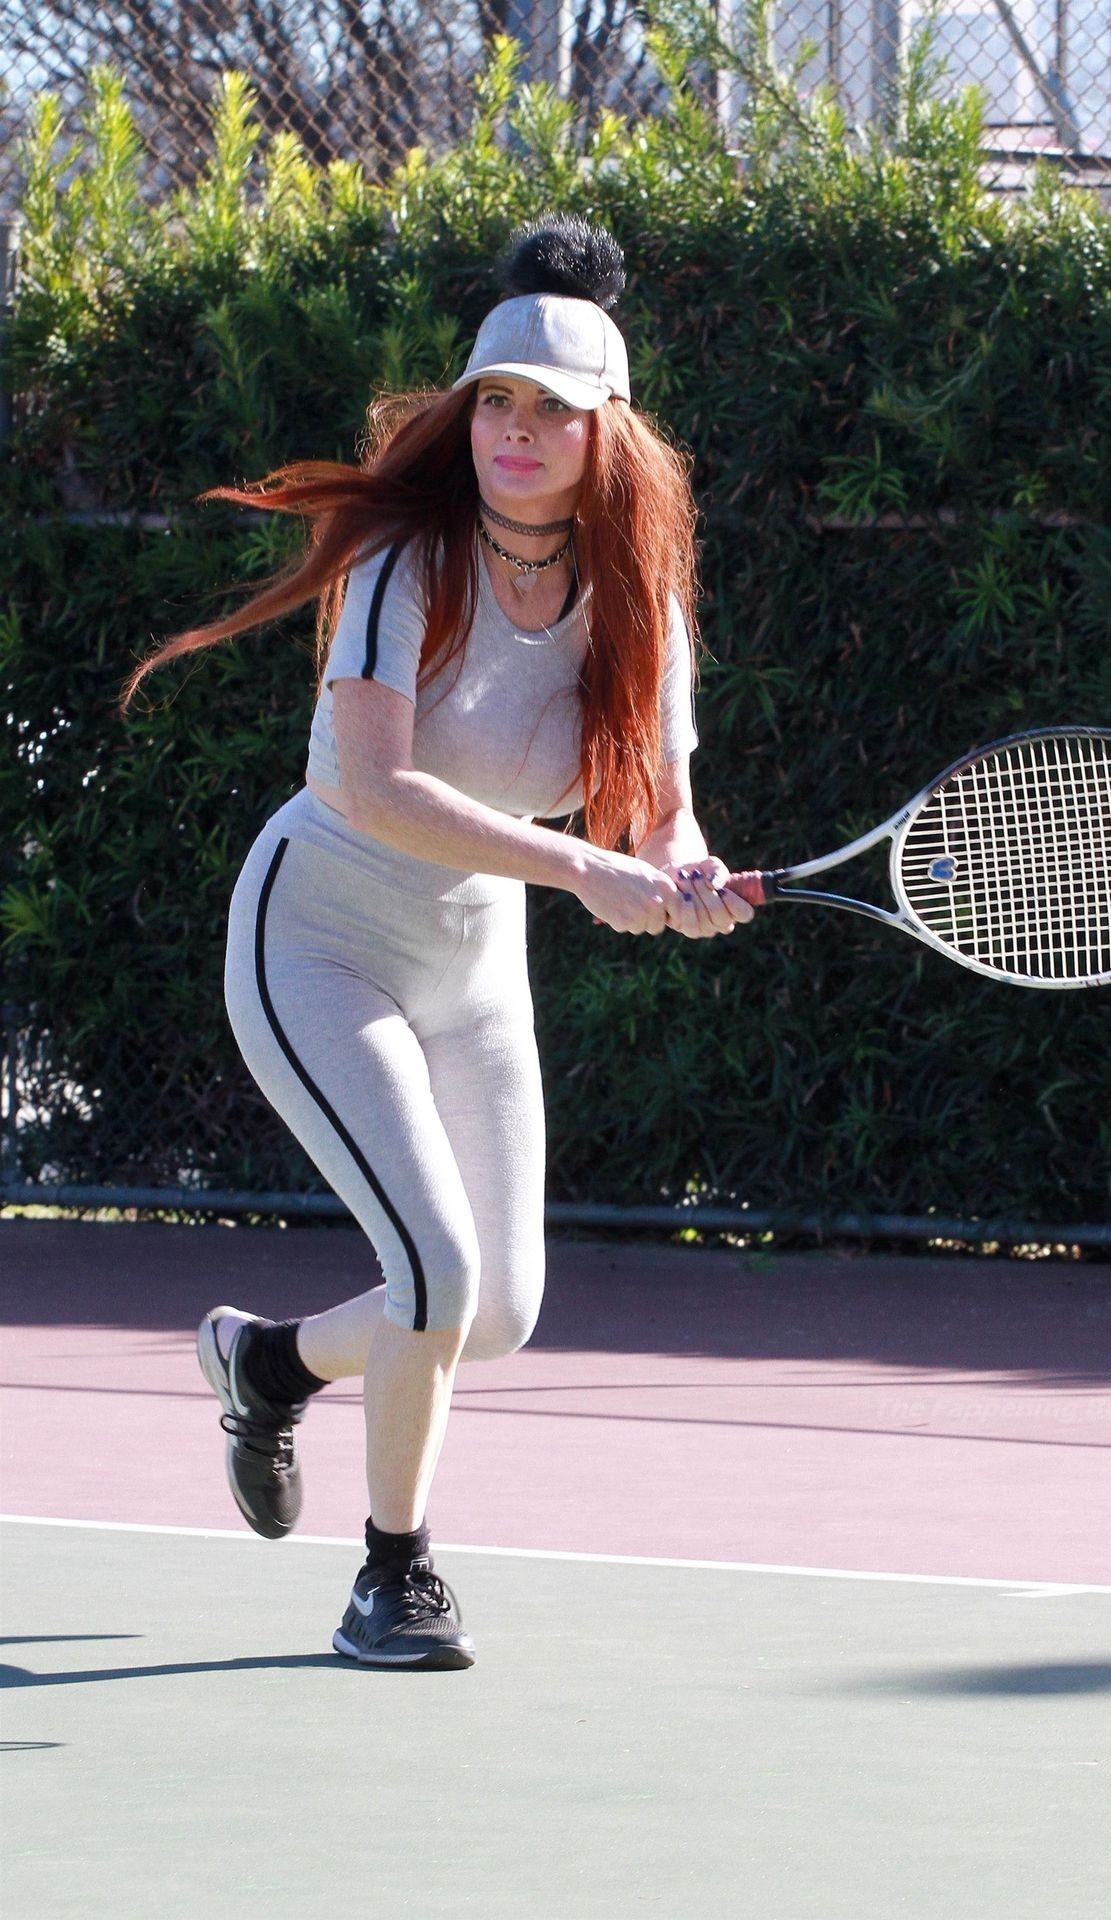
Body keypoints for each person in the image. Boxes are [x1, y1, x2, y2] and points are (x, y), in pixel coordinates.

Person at [120, 213, 752, 1670]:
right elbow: (379, 784)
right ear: (466, 414)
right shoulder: (403, 557)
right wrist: (582, 867)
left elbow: (662, 810)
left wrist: (682, 868)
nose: (517, 430)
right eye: (496, 401)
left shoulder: (640, 593)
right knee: (435, 1272)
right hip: (318, 937)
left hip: (473, 963)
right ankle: (390, 1577)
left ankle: (268, 1364)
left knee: (499, 1310)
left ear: (606, 434)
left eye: (553, 409)